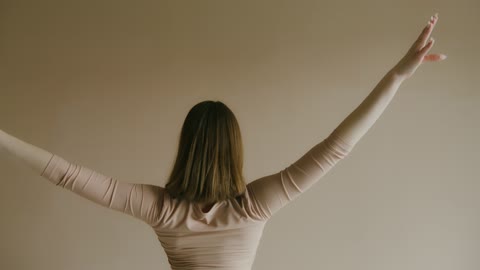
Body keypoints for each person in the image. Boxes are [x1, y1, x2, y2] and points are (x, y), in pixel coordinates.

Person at [0, 13, 446, 270]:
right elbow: (337, 147)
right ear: (235, 149)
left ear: (186, 146)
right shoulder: (254, 205)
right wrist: (396, 77)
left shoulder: (161, 209)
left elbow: (66, 174)